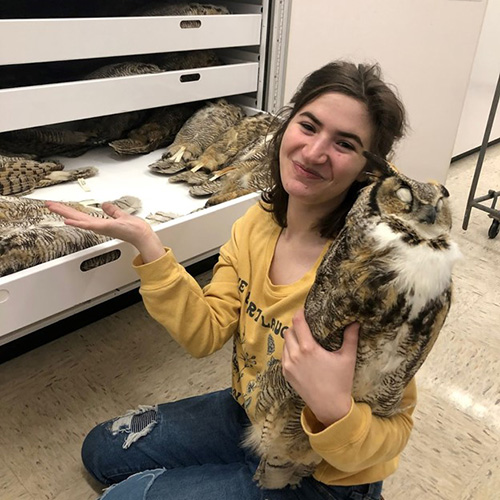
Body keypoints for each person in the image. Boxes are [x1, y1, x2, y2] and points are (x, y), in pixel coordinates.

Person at [46, 60, 415, 500]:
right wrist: (147, 243)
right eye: (308, 126)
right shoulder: (258, 221)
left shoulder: (375, 277)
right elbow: (205, 333)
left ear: (369, 169)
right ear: (285, 125)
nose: (314, 152)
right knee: (102, 452)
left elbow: (395, 429)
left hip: (319, 470)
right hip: (249, 412)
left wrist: (333, 409)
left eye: (345, 144)